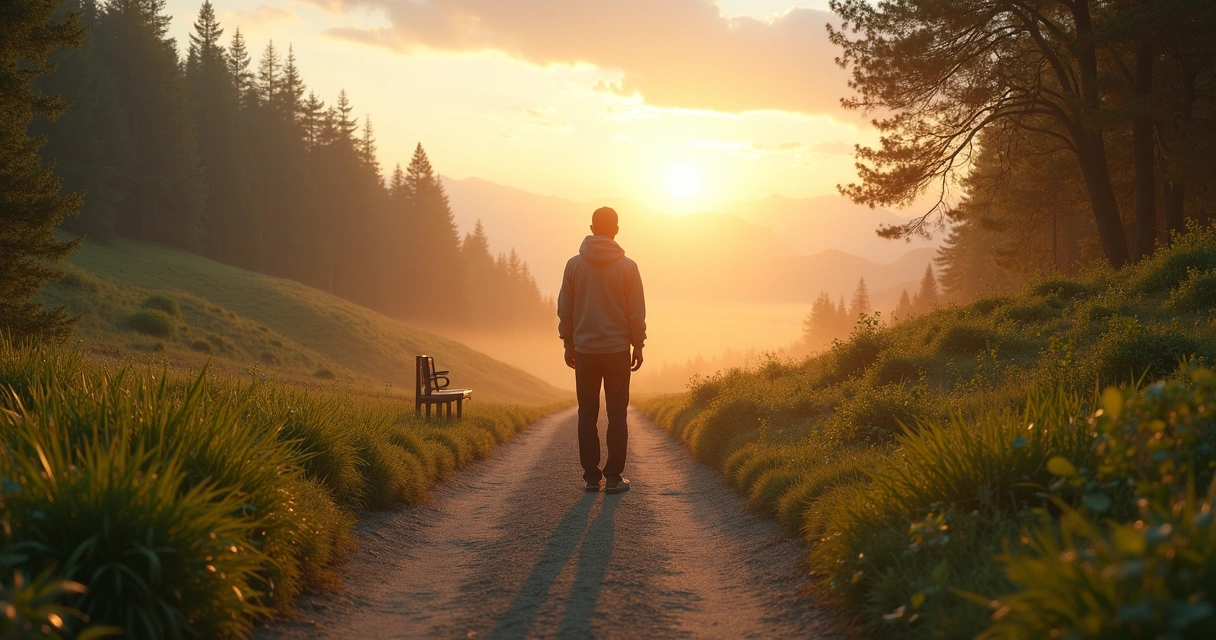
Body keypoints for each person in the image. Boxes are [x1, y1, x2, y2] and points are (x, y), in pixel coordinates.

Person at [557, 206, 646, 494]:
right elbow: (635, 312)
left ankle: (591, 477)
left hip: (585, 351)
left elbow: (565, 310)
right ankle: (614, 477)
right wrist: (638, 344)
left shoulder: (574, 265)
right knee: (617, 413)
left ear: (592, 228)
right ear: (616, 229)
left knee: (587, 414)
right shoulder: (628, 267)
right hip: (617, 350)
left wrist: (568, 343)